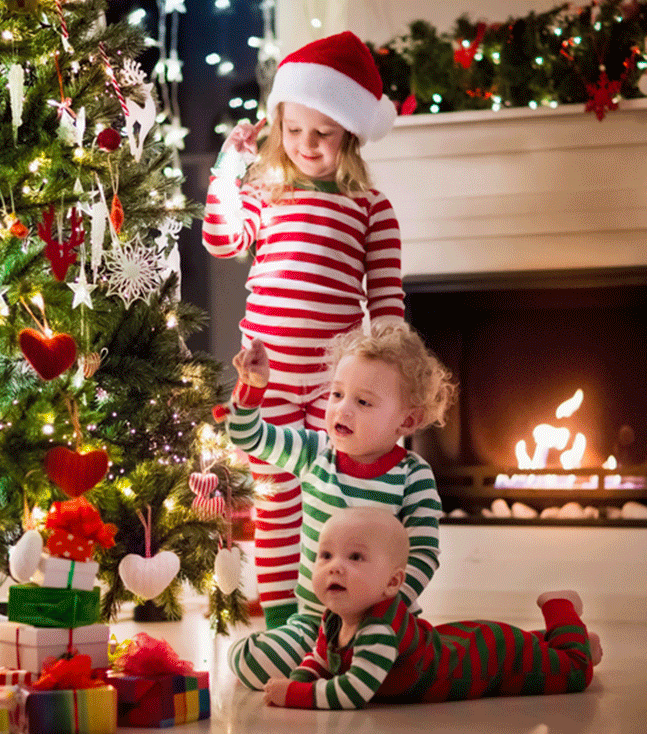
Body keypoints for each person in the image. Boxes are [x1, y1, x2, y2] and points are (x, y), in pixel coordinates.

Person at [202, 30, 403, 630]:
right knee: (277, 501)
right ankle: (286, 619)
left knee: (332, 499)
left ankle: (335, 612)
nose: (307, 145)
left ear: (350, 133)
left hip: (333, 388)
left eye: (323, 133)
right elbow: (221, 239)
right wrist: (226, 170)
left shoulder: (370, 206)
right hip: (266, 379)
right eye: (293, 131)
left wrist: (394, 381)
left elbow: (387, 302)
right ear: (276, 125)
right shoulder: (268, 191)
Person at [225, 321, 454, 690]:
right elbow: (248, 435)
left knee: (412, 675)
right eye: (336, 395)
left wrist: (386, 610)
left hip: (381, 624)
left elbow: (424, 553)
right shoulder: (314, 453)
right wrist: (252, 390)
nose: (342, 410)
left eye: (362, 402)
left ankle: (340, 668)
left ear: (406, 420)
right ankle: (329, 663)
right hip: (313, 621)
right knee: (247, 661)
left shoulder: (413, 476)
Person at [263, 507, 603, 709]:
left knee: (573, 672)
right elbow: (321, 658)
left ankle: (561, 608)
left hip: (482, 661)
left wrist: (293, 693)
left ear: (392, 584)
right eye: (325, 555)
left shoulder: (380, 629)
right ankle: (571, 639)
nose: (334, 567)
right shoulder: (336, 617)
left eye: (355, 557)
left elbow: (353, 692)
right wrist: (300, 676)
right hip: (453, 644)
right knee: (537, 650)